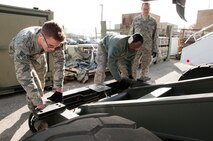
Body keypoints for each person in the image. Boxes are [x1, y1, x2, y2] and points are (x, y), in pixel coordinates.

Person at [9, 20, 66, 111]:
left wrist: (59, 89)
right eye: (51, 46)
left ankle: (37, 98)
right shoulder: (22, 42)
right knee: (34, 83)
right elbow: (24, 77)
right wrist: (38, 103)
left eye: (56, 46)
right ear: (40, 37)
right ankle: (34, 109)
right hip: (21, 53)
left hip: (38, 53)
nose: (53, 49)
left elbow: (60, 62)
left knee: (41, 79)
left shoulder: (54, 40)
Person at [129, 2, 159, 82]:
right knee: (133, 63)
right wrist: (129, 46)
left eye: (147, 9)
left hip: (148, 46)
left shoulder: (153, 21)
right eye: (144, 9)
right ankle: (132, 79)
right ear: (141, 9)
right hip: (136, 46)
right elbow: (131, 33)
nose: (146, 10)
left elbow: (155, 36)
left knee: (146, 64)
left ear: (150, 9)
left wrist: (155, 49)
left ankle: (143, 78)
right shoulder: (136, 19)